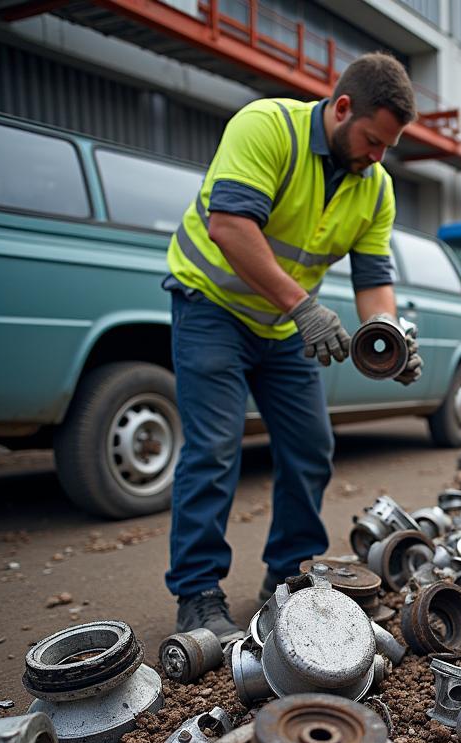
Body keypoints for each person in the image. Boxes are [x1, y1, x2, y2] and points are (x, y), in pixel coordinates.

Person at [163, 53, 421, 641]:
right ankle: (198, 594)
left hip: (282, 328)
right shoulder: (266, 127)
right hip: (211, 309)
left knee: (310, 446)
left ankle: (290, 576)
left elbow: (372, 280)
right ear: (342, 107)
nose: (379, 155)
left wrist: (389, 340)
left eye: (389, 146)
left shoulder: (375, 187)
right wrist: (303, 307)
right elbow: (230, 226)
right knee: (215, 449)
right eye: (373, 140)